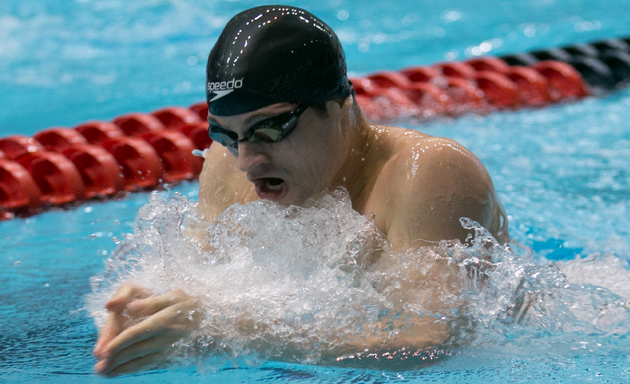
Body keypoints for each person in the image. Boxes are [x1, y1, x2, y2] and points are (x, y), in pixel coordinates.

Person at [93, 5, 509, 375]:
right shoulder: (226, 164)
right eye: (227, 135)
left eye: (270, 128)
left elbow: (434, 340)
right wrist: (151, 308)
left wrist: (241, 333)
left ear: (340, 106)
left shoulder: (426, 172)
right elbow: (206, 283)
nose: (248, 161)